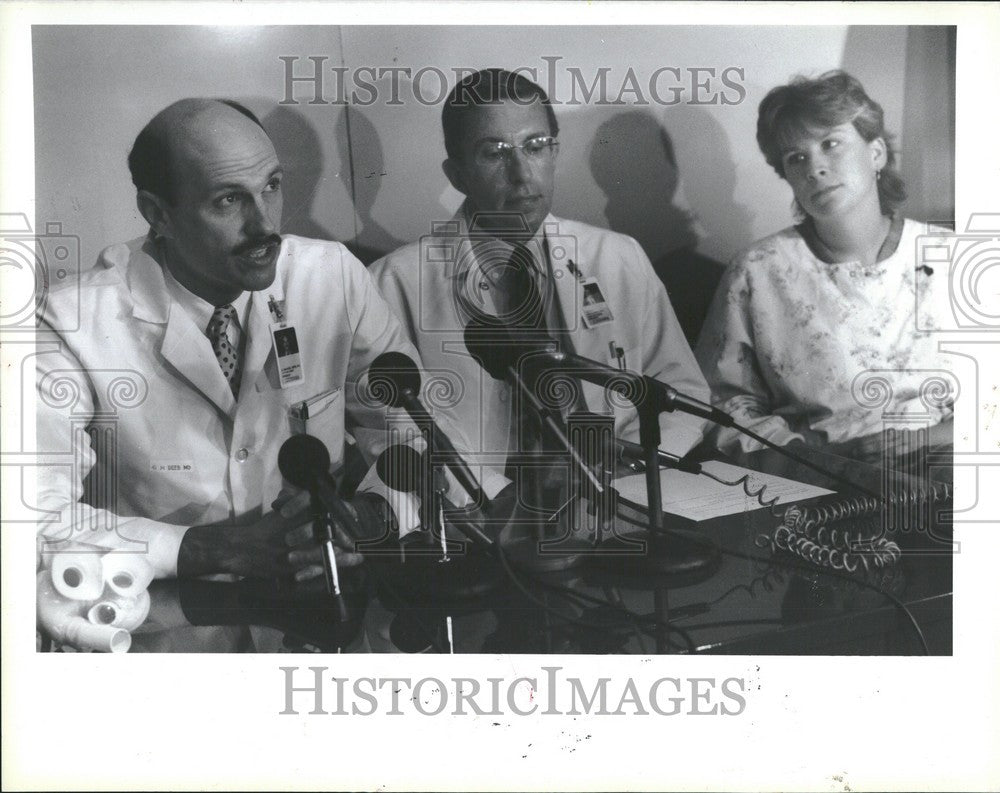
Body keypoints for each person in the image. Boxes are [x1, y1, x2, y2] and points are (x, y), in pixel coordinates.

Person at [35, 98, 507, 583]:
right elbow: (27, 517)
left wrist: (375, 515)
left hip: (320, 615)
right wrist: (201, 549)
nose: (264, 226)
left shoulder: (329, 277)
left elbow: (427, 430)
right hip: (167, 634)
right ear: (158, 213)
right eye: (228, 200)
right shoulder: (70, 324)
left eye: (272, 187)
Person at [370, 69, 710, 484]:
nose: (521, 174)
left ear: (554, 154)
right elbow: (391, 433)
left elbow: (681, 386)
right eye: (494, 153)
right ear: (457, 174)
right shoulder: (394, 284)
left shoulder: (618, 258)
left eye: (535, 147)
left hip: (622, 498)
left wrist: (634, 469)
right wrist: (492, 500)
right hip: (483, 519)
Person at [695, 71, 955, 463]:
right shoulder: (758, 271)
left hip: (951, 464)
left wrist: (926, 439)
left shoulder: (952, 257)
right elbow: (725, 405)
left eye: (830, 144)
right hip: (828, 480)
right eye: (796, 158)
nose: (814, 168)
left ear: (876, 153)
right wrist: (811, 460)